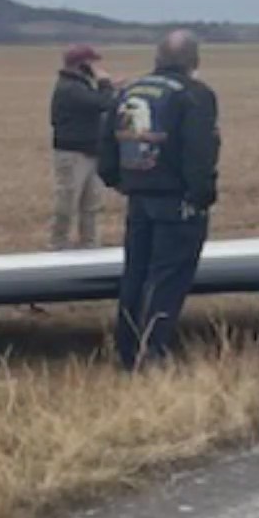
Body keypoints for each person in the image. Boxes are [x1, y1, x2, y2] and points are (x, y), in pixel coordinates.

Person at [97, 29, 220, 370]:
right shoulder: (194, 95)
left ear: (157, 60)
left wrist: (118, 181)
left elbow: (106, 146)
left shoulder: (129, 91)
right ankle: (152, 354)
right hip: (177, 200)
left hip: (138, 197)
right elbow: (200, 150)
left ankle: (126, 350)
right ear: (194, 62)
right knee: (168, 278)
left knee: (135, 274)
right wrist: (201, 197)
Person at [49, 43, 117, 249]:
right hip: (73, 154)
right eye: (93, 62)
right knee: (67, 202)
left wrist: (107, 86)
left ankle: (89, 244)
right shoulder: (70, 88)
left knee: (91, 204)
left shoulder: (80, 85)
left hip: (89, 151)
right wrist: (105, 83)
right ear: (82, 64)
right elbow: (102, 103)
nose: (97, 66)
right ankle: (58, 243)